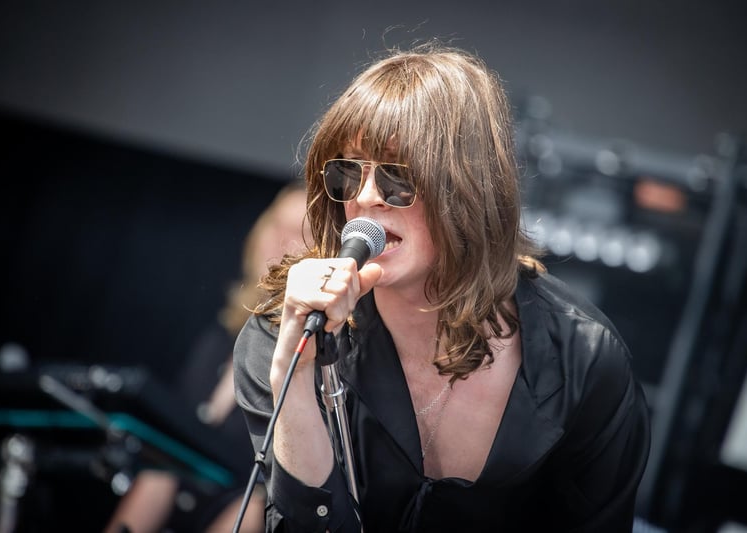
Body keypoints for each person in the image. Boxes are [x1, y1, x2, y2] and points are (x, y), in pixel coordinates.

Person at [233, 42, 651, 532]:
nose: (366, 197)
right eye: (347, 172)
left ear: (466, 189)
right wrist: (293, 378)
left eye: (396, 177)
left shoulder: (584, 360)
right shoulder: (283, 334)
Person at [105, 181, 309, 533]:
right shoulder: (219, 339)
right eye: (275, 224)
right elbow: (168, 456)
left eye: (296, 232)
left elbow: (269, 496)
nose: (279, 239)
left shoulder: (309, 358)